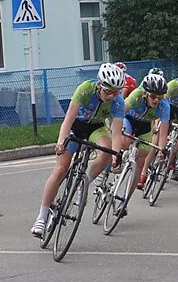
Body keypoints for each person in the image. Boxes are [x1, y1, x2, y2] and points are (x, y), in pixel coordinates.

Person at [31, 63, 124, 238]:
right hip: (76, 126)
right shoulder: (85, 89)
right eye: (108, 91)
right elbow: (68, 119)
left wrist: (116, 157)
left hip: (96, 128)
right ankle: (41, 217)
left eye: (116, 92)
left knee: (107, 149)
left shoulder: (118, 102)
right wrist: (60, 142)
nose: (112, 96)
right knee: (60, 169)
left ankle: (85, 183)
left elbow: (117, 133)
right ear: (99, 85)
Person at [123, 73, 171, 195]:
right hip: (129, 119)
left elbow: (163, 133)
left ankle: (127, 197)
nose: (156, 100)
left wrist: (161, 150)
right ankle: (108, 169)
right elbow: (120, 114)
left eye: (160, 97)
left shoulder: (164, 106)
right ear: (145, 93)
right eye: (153, 96)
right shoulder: (136, 95)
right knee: (124, 142)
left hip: (144, 125)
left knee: (143, 156)